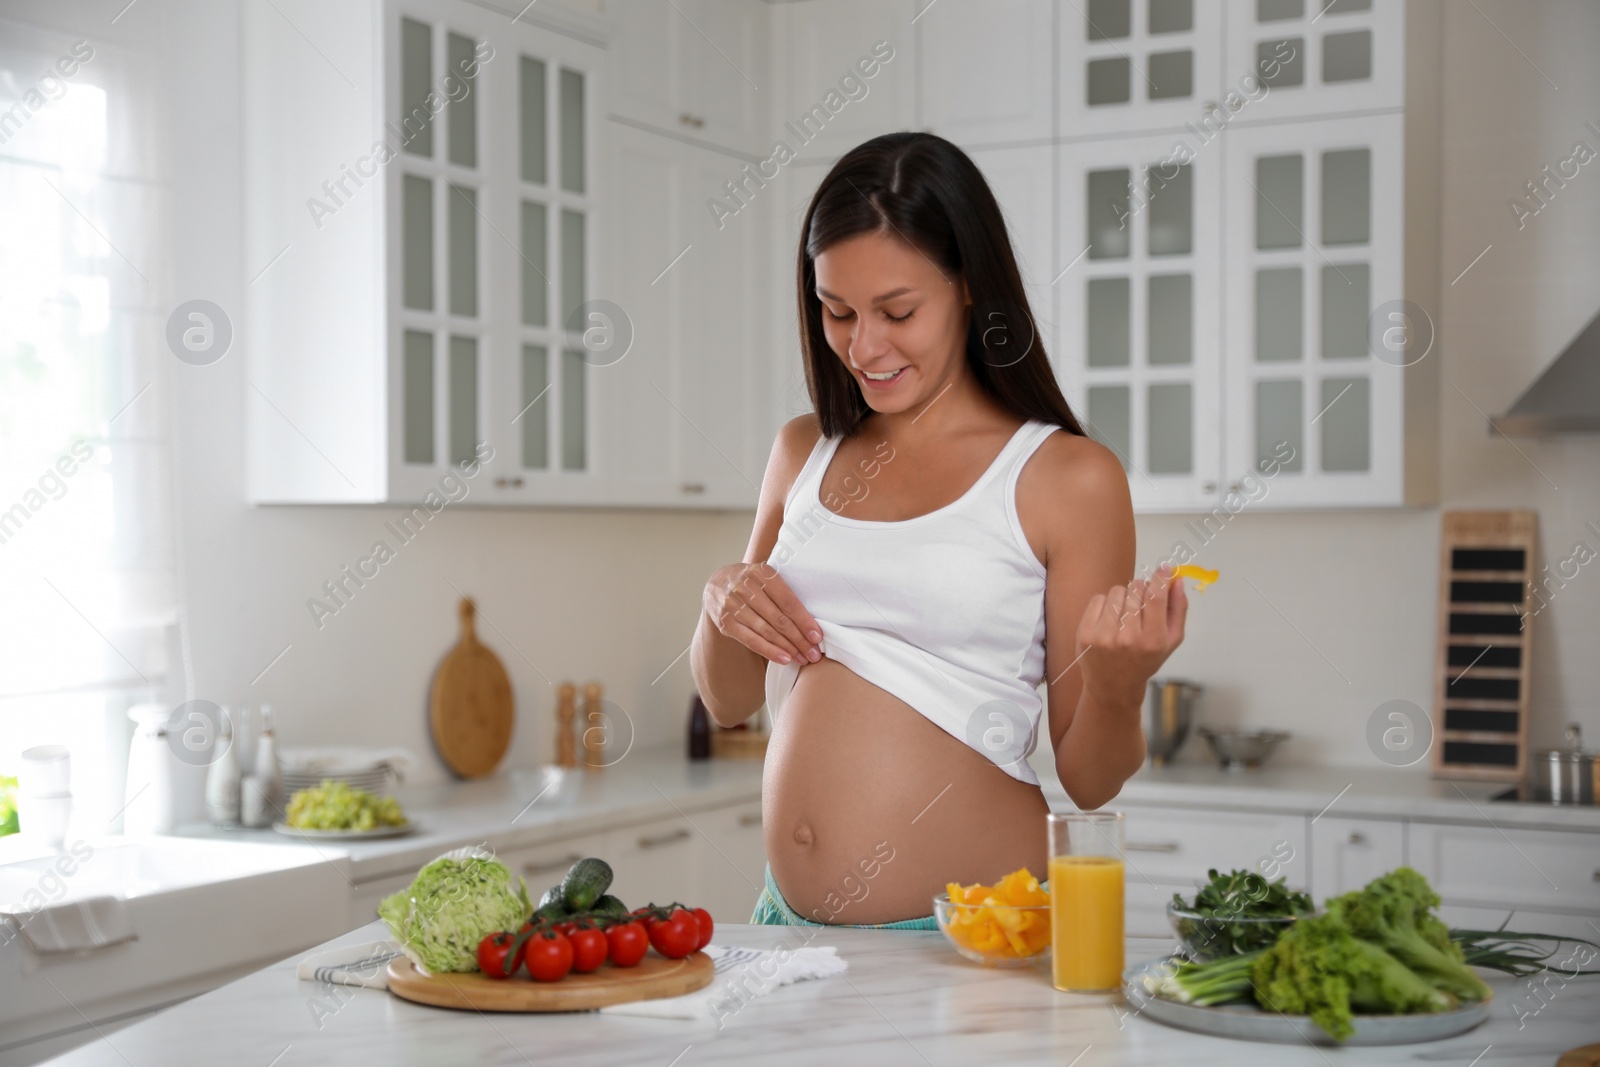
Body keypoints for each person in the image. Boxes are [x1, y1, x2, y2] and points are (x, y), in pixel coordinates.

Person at [689, 132, 1190, 929]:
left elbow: (1091, 780)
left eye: (897, 311)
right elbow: (728, 697)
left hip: (971, 943)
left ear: (967, 288)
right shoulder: (802, 453)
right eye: (837, 310)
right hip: (787, 927)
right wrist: (723, 599)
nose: (863, 345)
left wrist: (1121, 685)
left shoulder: (1066, 478)